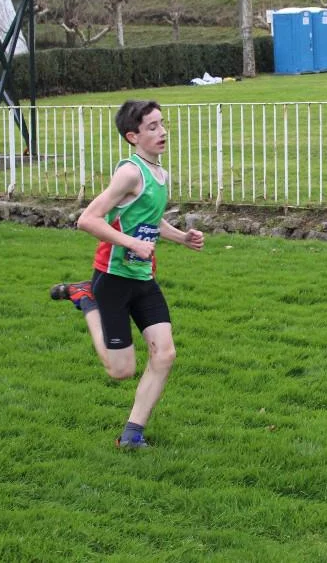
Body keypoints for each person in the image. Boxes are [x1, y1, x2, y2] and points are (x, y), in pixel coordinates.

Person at [51, 99, 204, 449]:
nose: (162, 132)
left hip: (143, 278)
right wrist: (131, 243)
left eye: (162, 123)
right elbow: (88, 219)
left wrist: (182, 238)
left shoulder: (159, 173)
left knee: (164, 354)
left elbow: (150, 218)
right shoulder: (130, 173)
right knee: (121, 371)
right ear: (132, 137)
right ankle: (85, 299)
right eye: (152, 127)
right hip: (114, 278)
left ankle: (133, 434)